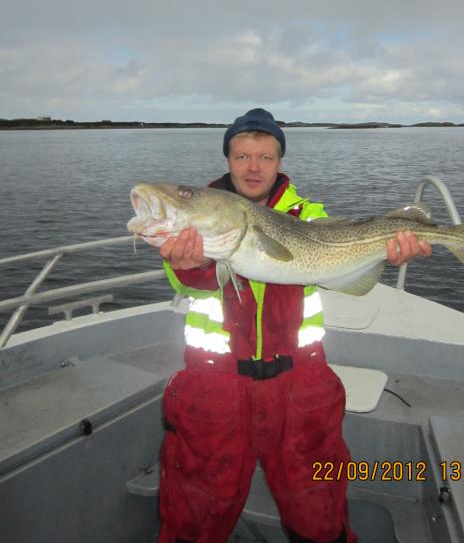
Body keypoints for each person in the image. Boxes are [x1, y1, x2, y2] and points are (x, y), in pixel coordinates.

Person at [157, 108, 431, 543]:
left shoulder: (307, 214)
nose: (253, 167)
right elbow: (188, 281)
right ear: (227, 159)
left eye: (265, 157)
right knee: (195, 513)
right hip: (214, 386)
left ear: (279, 161)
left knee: (318, 510)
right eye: (242, 156)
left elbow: (339, 257)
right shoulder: (202, 218)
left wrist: (388, 249)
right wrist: (192, 264)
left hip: (300, 383)